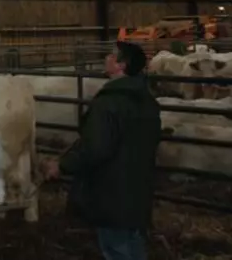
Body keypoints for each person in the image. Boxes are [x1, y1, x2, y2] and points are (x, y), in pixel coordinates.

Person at [41, 41, 162, 260]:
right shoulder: (147, 100)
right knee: (133, 243)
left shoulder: (108, 103)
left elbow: (95, 148)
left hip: (112, 193)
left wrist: (61, 165)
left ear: (121, 65)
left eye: (111, 55)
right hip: (139, 189)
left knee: (116, 249)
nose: (107, 57)